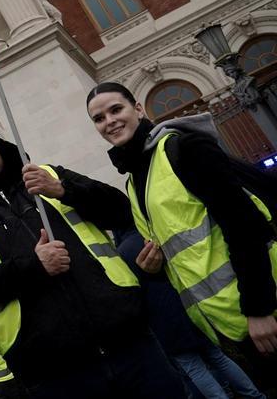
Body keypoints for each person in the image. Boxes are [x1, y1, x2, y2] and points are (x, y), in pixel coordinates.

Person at [0, 123, 186, 397]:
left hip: (130, 342)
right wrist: (34, 267)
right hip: (55, 373)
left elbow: (121, 212)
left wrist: (63, 189)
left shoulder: (49, 176)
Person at [85, 82, 277, 386]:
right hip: (229, 326)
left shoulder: (183, 148)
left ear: (137, 109)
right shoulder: (135, 182)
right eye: (99, 118)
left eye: (116, 109)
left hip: (264, 311)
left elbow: (244, 224)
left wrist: (260, 308)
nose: (109, 121)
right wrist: (157, 268)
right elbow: (185, 249)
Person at [116, 229, 262, 399]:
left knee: (194, 368)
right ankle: (254, 395)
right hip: (189, 307)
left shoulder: (123, 254)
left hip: (164, 322)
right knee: (217, 357)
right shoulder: (153, 235)